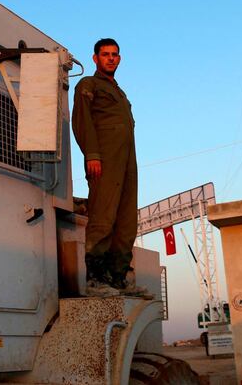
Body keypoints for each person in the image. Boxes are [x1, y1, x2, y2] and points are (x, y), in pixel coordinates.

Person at [72, 38, 150, 298]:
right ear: (95, 58)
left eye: (115, 54)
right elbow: (82, 122)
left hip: (127, 161)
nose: (111, 58)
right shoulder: (88, 85)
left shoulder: (119, 92)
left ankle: (118, 278)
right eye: (105, 54)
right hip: (104, 159)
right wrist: (92, 155)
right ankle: (94, 279)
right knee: (103, 217)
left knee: (127, 221)